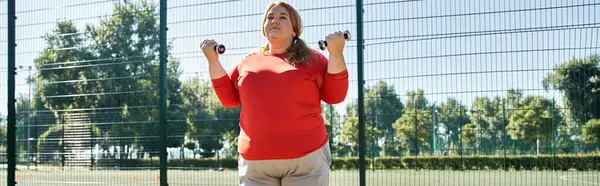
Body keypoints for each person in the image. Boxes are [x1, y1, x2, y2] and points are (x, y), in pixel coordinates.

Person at [201, 1, 349, 185]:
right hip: (255, 162)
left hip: (307, 158)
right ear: (264, 29)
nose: (275, 21)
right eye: (270, 18)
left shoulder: (313, 58)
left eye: (282, 17)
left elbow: (335, 96)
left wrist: (336, 55)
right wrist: (213, 61)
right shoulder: (248, 61)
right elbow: (228, 99)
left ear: (295, 30)